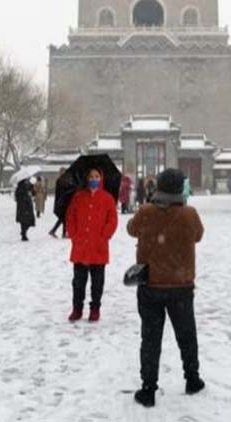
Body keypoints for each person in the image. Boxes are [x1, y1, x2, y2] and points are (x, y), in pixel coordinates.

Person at [127, 168, 205, 408]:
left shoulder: (146, 212)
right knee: (186, 334)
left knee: (150, 338)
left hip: (151, 285)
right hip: (181, 285)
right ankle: (192, 379)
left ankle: (148, 388)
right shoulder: (189, 214)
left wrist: (150, 206)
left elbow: (131, 229)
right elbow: (198, 235)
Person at [65, 168, 118, 322]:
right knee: (78, 282)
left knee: (97, 282)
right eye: (91, 176)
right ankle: (77, 308)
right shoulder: (78, 197)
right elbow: (70, 217)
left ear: (101, 179)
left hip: (98, 247)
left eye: (96, 176)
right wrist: (74, 235)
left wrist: (104, 235)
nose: (93, 179)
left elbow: (112, 220)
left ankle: (95, 308)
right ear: (86, 178)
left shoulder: (108, 198)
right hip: (81, 246)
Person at [50, 169, 68, 238]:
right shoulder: (61, 181)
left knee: (63, 218)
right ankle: (56, 231)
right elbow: (63, 191)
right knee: (63, 218)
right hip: (62, 201)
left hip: (62, 201)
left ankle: (59, 232)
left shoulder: (61, 180)